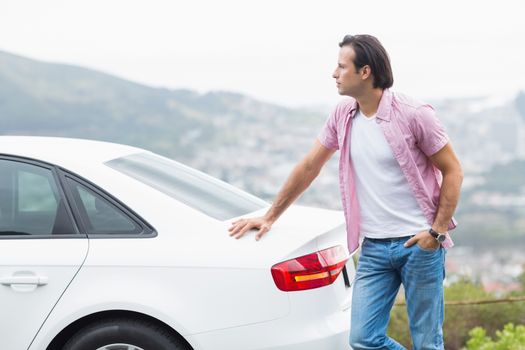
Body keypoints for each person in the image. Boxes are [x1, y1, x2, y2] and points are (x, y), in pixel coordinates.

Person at [228, 34, 463, 350]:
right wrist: (270, 216)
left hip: (419, 245)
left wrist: (434, 234)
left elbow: (453, 170)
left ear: (365, 72)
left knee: (427, 342)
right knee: (363, 339)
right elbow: (310, 165)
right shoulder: (343, 115)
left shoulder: (414, 113)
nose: (334, 73)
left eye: (341, 66)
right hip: (374, 247)